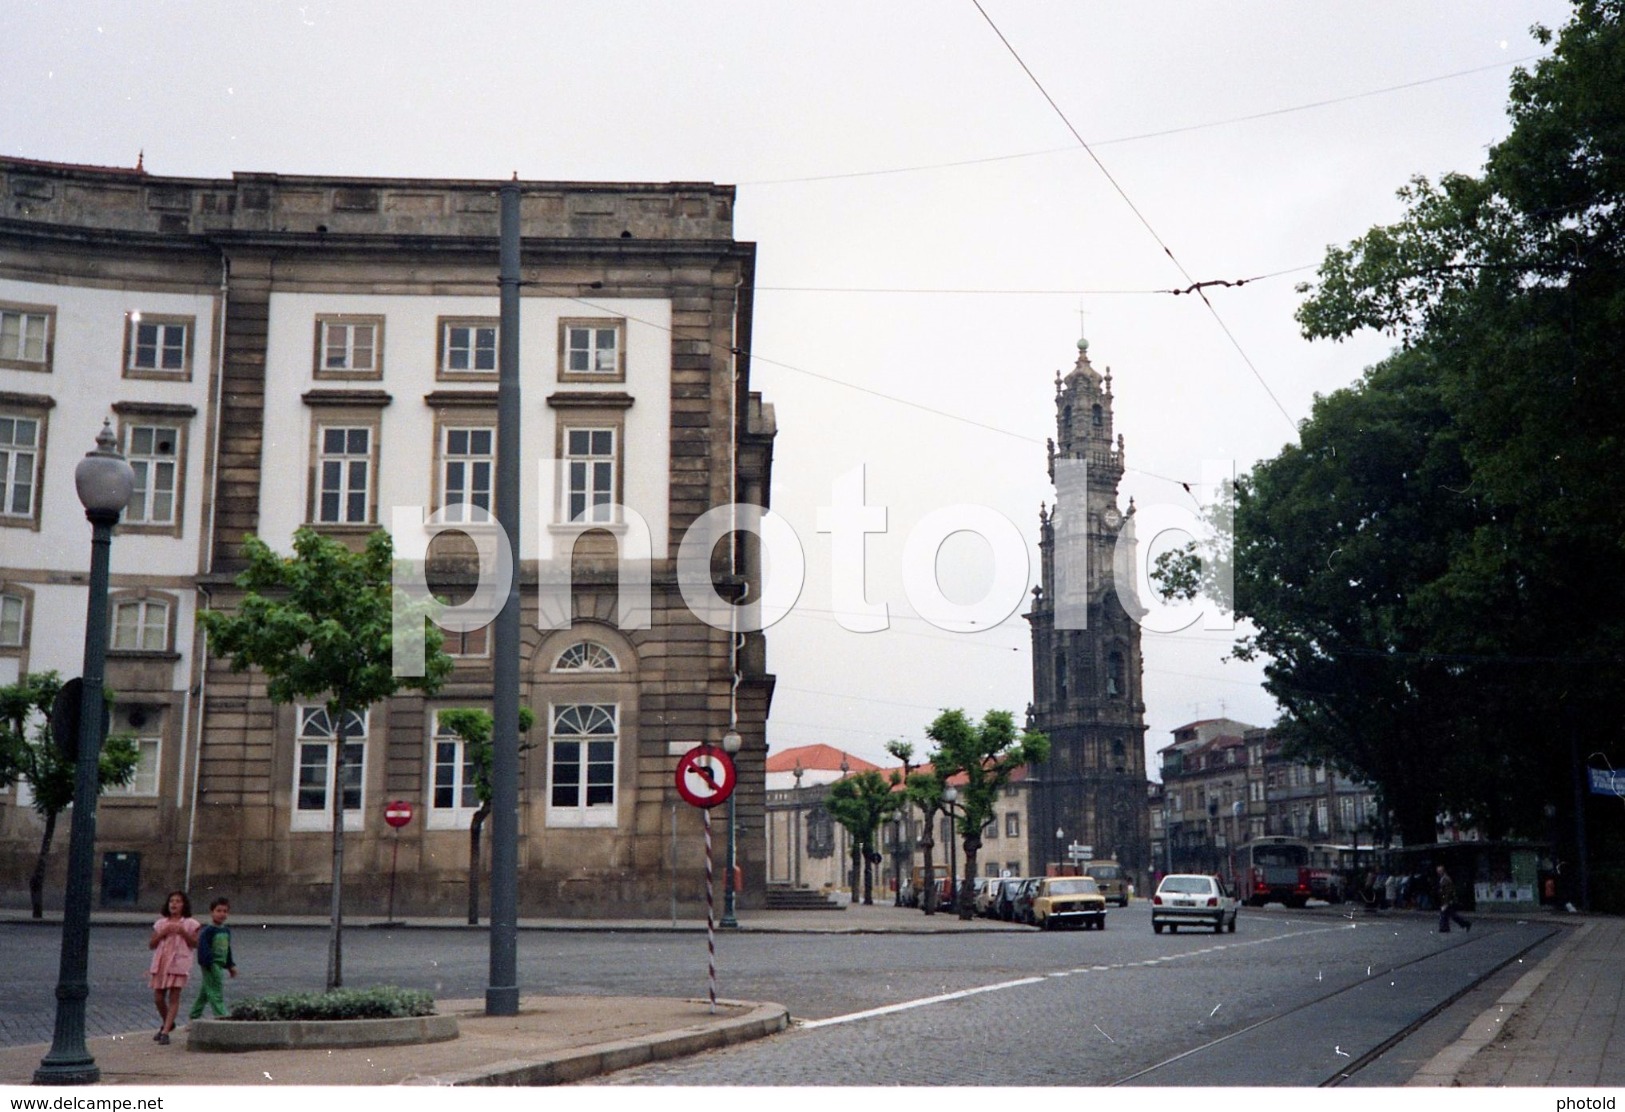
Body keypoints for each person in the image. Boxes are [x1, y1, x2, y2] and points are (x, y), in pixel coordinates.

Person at [148, 890, 200, 1044]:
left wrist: (183, 933)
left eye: (178, 901)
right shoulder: (161, 923)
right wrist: (163, 933)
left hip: (178, 963)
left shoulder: (191, 924)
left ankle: (165, 1032)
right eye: (172, 901)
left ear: (184, 905)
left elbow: (195, 944)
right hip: (161, 963)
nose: (174, 904)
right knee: (158, 998)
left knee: (174, 997)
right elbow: (151, 944)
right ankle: (168, 1023)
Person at [189, 896, 237, 1021]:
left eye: (225, 911)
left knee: (205, 991)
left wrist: (230, 965)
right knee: (216, 990)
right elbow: (203, 948)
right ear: (212, 912)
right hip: (211, 964)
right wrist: (208, 963)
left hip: (220, 964)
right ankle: (221, 1014)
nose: (222, 914)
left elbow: (227, 949)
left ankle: (194, 1015)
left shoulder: (226, 930)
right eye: (219, 911)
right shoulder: (208, 931)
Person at [1436, 865, 1472, 933]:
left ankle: (1444, 927)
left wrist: (1446, 901)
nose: (1438, 872)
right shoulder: (1443, 878)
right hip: (1445, 900)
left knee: (1446, 914)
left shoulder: (1446, 879)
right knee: (1451, 915)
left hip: (1447, 900)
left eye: (1440, 871)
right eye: (1438, 871)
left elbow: (1448, 891)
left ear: (1443, 871)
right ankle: (1464, 924)